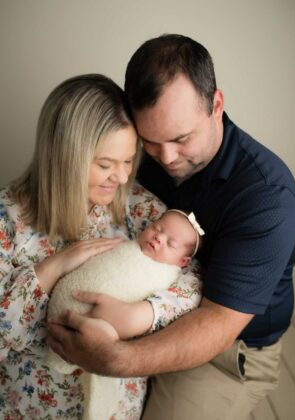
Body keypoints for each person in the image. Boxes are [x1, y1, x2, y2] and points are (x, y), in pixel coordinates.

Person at [48, 34, 295, 420]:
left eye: (181, 139)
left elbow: (217, 324)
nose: (166, 157)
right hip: (134, 309)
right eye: (150, 141)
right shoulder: (137, 150)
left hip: (226, 350)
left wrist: (114, 357)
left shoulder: (267, 198)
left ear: (216, 105)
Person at [0, 73, 201, 419]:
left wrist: (140, 315)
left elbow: (193, 278)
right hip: (32, 407)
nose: (122, 177)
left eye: (128, 161)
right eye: (106, 165)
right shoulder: (8, 219)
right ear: (64, 158)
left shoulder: (135, 206)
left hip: (115, 407)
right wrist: (51, 270)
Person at [47, 209, 204, 420]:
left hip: (113, 335)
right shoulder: (126, 244)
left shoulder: (168, 277)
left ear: (182, 262)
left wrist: (134, 316)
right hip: (61, 310)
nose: (159, 237)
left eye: (171, 244)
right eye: (157, 228)